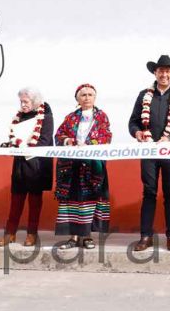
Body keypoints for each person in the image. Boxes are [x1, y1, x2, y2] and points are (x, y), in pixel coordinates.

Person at [128, 55, 170, 252]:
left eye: (168, 71)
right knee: (149, 192)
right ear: (155, 73)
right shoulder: (143, 95)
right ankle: (145, 236)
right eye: (160, 70)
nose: (164, 74)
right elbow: (133, 121)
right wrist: (137, 132)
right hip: (148, 150)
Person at [54, 83, 112, 250]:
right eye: (83, 95)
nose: (87, 98)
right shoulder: (70, 117)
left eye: (90, 95)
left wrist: (88, 144)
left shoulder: (101, 117)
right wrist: (68, 141)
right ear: (77, 99)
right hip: (72, 166)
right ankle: (73, 237)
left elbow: (106, 136)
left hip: (92, 166)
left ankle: (86, 236)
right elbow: (59, 135)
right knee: (73, 199)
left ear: (95, 98)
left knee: (89, 199)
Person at [0, 87, 54, 247]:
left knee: (34, 202)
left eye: (26, 101)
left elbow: (45, 140)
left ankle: (31, 234)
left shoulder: (46, 116)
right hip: (21, 163)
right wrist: (12, 144)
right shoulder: (19, 117)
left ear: (35, 102)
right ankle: (10, 234)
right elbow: (14, 137)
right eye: (21, 101)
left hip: (37, 164)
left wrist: (27, 148)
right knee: (16, 200)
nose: (23, 104)